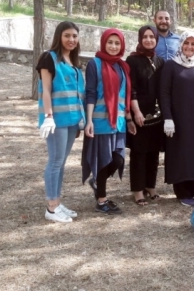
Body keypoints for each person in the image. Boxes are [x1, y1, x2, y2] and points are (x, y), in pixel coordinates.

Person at [160, 31, 194, 206]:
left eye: (193, 44)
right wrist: (167, 118)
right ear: (181, 44)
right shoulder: (171, 66)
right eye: (187, 43)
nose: (189, 47)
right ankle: (182, 191)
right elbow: (164, 94)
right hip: (178, 120)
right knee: (181, 154)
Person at [36, 21, 85, 223]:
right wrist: (48, 117)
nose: (71, 39)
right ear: (59, 36)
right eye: (67, 35)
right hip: (56, 121)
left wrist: (81, 120)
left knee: (62, 163)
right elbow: (46, 89)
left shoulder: (72, 61)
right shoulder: (49, 58)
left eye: (74, 36)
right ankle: (51, 207)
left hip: (72, 120)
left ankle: (57, 201)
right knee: (55, 162)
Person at [82, 28, 133, 215]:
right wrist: (88, 121)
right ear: (104, 43)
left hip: (119, 122)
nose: (113, 46)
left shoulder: (123, 66)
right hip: (101, 121)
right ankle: (101, 200)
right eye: (110, 42)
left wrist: (128, 119)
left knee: (118, 159)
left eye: (117, 43)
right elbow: (91, 93)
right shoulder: (95, 64)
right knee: (104, 161)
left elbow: (124, 96)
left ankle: (97, 182)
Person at [125, 26, 165, 206]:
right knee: (139, 153)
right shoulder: (132, 60)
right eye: (145, 37)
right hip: (140, 113)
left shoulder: (160, 61)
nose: (149, 40)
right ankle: (138, 190)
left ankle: (151, 186)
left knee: (153, 153)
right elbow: (130, 88)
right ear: (140, 39)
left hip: (157, 115)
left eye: (152, 37)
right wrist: (136, 112)